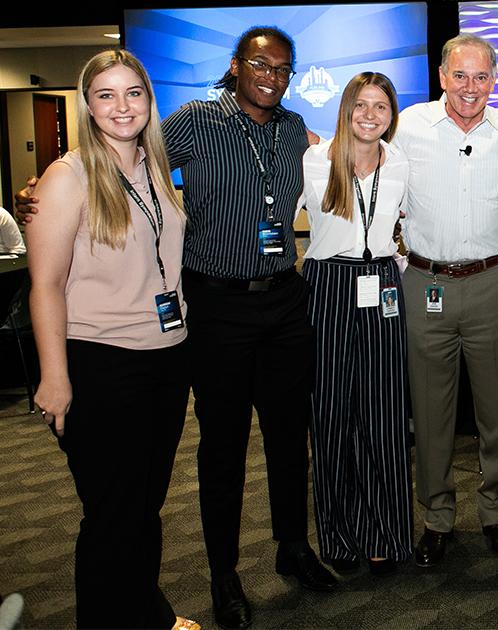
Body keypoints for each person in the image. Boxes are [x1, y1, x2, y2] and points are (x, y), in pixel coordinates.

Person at [14, 26, 336, 629]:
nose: (271, 76)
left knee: (292, 437)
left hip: (282, 303)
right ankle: (223, 576)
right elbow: (119, 156)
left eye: (283, 68)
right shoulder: (192, 121)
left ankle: (294, 548)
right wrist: (39, 189)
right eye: (260, 65)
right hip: (213, 309)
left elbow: (344, 157)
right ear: (236, 66)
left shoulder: (294, 130)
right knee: (222, 449)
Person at [25, 49, 197, 630]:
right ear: (88, 105)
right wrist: (54, 379)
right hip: (99, 364)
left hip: (165, 360)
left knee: (143, 510)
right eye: (106, 95)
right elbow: (45, 286)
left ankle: (147, 614)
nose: (122, 107)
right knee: (110, 516)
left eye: (133, 93)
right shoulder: (67, 176)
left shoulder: (153, 163)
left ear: (149, 100)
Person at [395, 33, 498, 566]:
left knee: (497, 409)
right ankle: (437, 517)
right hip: (426, 283)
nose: (470, 88)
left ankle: (496, 513)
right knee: (431, 412)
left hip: (493, 282)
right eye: (460, 75)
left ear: (494, 81)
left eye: (482, 77)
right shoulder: (406, 127)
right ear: (443, 77)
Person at [300, 71, 412, 577]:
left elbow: (406, 223)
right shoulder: (313, 160)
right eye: (361, 105)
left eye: (380, 107)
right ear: (346, 109)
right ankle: (340, 535)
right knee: (331, 417)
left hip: (383, 286)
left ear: (392, 115)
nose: (370, 115)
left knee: (385, 417)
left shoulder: (400, 164)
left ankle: (384, 534)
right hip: (327, 286)